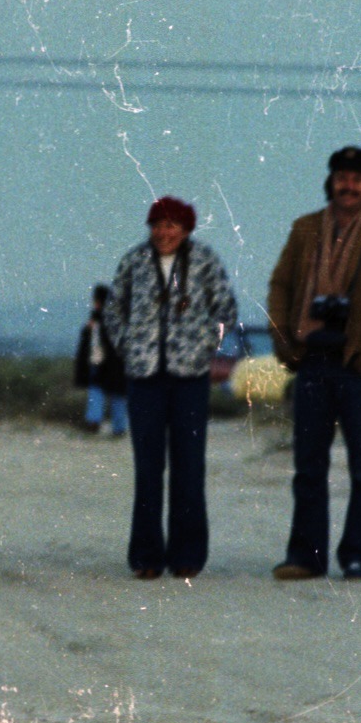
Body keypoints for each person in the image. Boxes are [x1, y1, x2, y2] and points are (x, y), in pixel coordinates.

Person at [267, 147, 361, 580]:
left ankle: (358, 555)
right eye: (342, 177)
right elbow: (280, 285)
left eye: (358, 178)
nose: (349, 185)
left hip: (360, 365)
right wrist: (282, 339)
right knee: (308, 466)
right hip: (312, 358)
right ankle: (305, 556)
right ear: (330, 180)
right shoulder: (305, 229)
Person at [103, 197, 238, 579]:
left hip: (190, 376)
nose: (165, 232)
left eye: (173, 225)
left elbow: (226, 308)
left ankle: (187, 556)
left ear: (187, 229)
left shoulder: (206, 260)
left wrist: (205, 347)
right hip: (144, 376)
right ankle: (146, 556)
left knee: (189, 467)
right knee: (148, 468)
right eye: (158, 224)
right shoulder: (133, 261)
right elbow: (114, 309)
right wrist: (129, 345)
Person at [73, 284, 128, 436]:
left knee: (98, 392)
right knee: (116, 395)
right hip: (115, 365)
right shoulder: (116, 317)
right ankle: (118, 427)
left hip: (101, 362)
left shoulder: (97, 320)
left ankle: (95, 423)